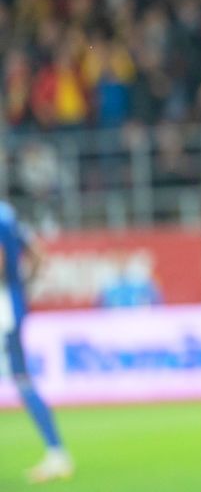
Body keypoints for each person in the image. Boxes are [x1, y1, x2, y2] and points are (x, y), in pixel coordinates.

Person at [0, 202, 74, 483]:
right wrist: (22, 286)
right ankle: (56, 453)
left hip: (3, 310)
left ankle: (57, 453)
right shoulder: (7, 212)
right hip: (11, 306)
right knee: (22, 379)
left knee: (22, 380)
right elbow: (37, 254)